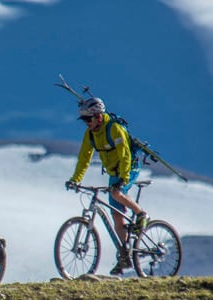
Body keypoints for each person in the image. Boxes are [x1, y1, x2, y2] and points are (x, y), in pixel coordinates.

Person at [64, 97, 149, 275]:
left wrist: (123, 178)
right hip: (113, 172)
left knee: (117, 193)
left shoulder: (115, 129)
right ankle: (126, 255)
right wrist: (75, 179)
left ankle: (141, 214)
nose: (86, 123)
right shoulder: (90, 135)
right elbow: (84, 159)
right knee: (117, 217)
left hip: (129, 167)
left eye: (89, 119)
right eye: (84, 120)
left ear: (99, 117)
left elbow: (125, 155)